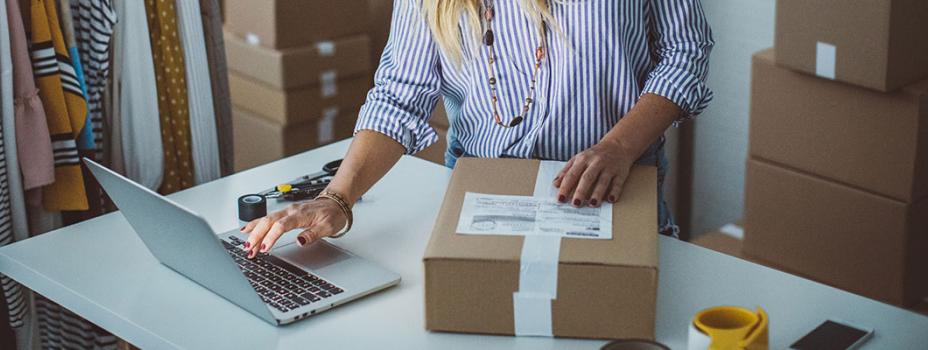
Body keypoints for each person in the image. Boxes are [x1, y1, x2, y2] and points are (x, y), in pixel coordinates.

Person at [240, 0, 713, 258]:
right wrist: (335, 199)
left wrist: (618, 146)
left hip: (613, 193)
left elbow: (686, 52)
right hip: (484, 200)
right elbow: (399, 95)